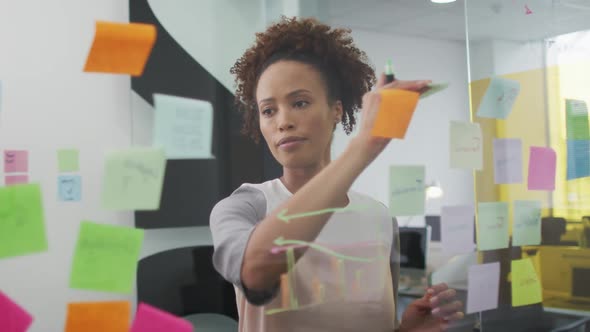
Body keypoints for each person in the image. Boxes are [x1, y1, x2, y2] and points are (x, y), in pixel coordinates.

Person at [210, 16, 464, 331]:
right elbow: (256, 271)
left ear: (336, 110)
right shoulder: (244, 206)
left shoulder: (380, 218)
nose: (283, 121)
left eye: (300, 102)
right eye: (268, 110)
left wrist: (410, 329)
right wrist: (364, 145)